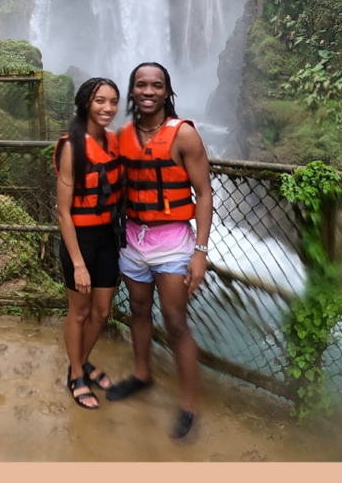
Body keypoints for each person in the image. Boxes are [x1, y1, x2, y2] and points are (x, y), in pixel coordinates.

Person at [105, 62, 212, 439]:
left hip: (172, 243)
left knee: (176, 320)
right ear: (132, 92)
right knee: (137, 309)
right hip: (134, 239)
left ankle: (188, 405)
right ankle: (141, 374)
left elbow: (204, 193)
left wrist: (200, 251)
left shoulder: (184, 136)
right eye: (141, 85)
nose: (148, 91)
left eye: (156, 85)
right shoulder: (122, 136)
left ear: (167, 92)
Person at [54, 77, 123, 410]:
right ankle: (78, 375)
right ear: (85, 104)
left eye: (113, 101)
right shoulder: (71, 146)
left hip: (108, 237)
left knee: (102, 310)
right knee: (79, 312)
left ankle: (79, 363)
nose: (108, 108)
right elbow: (63, 212)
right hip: (79, 238)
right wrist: (78, 263)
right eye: (100, 101)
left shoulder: (115, 143)